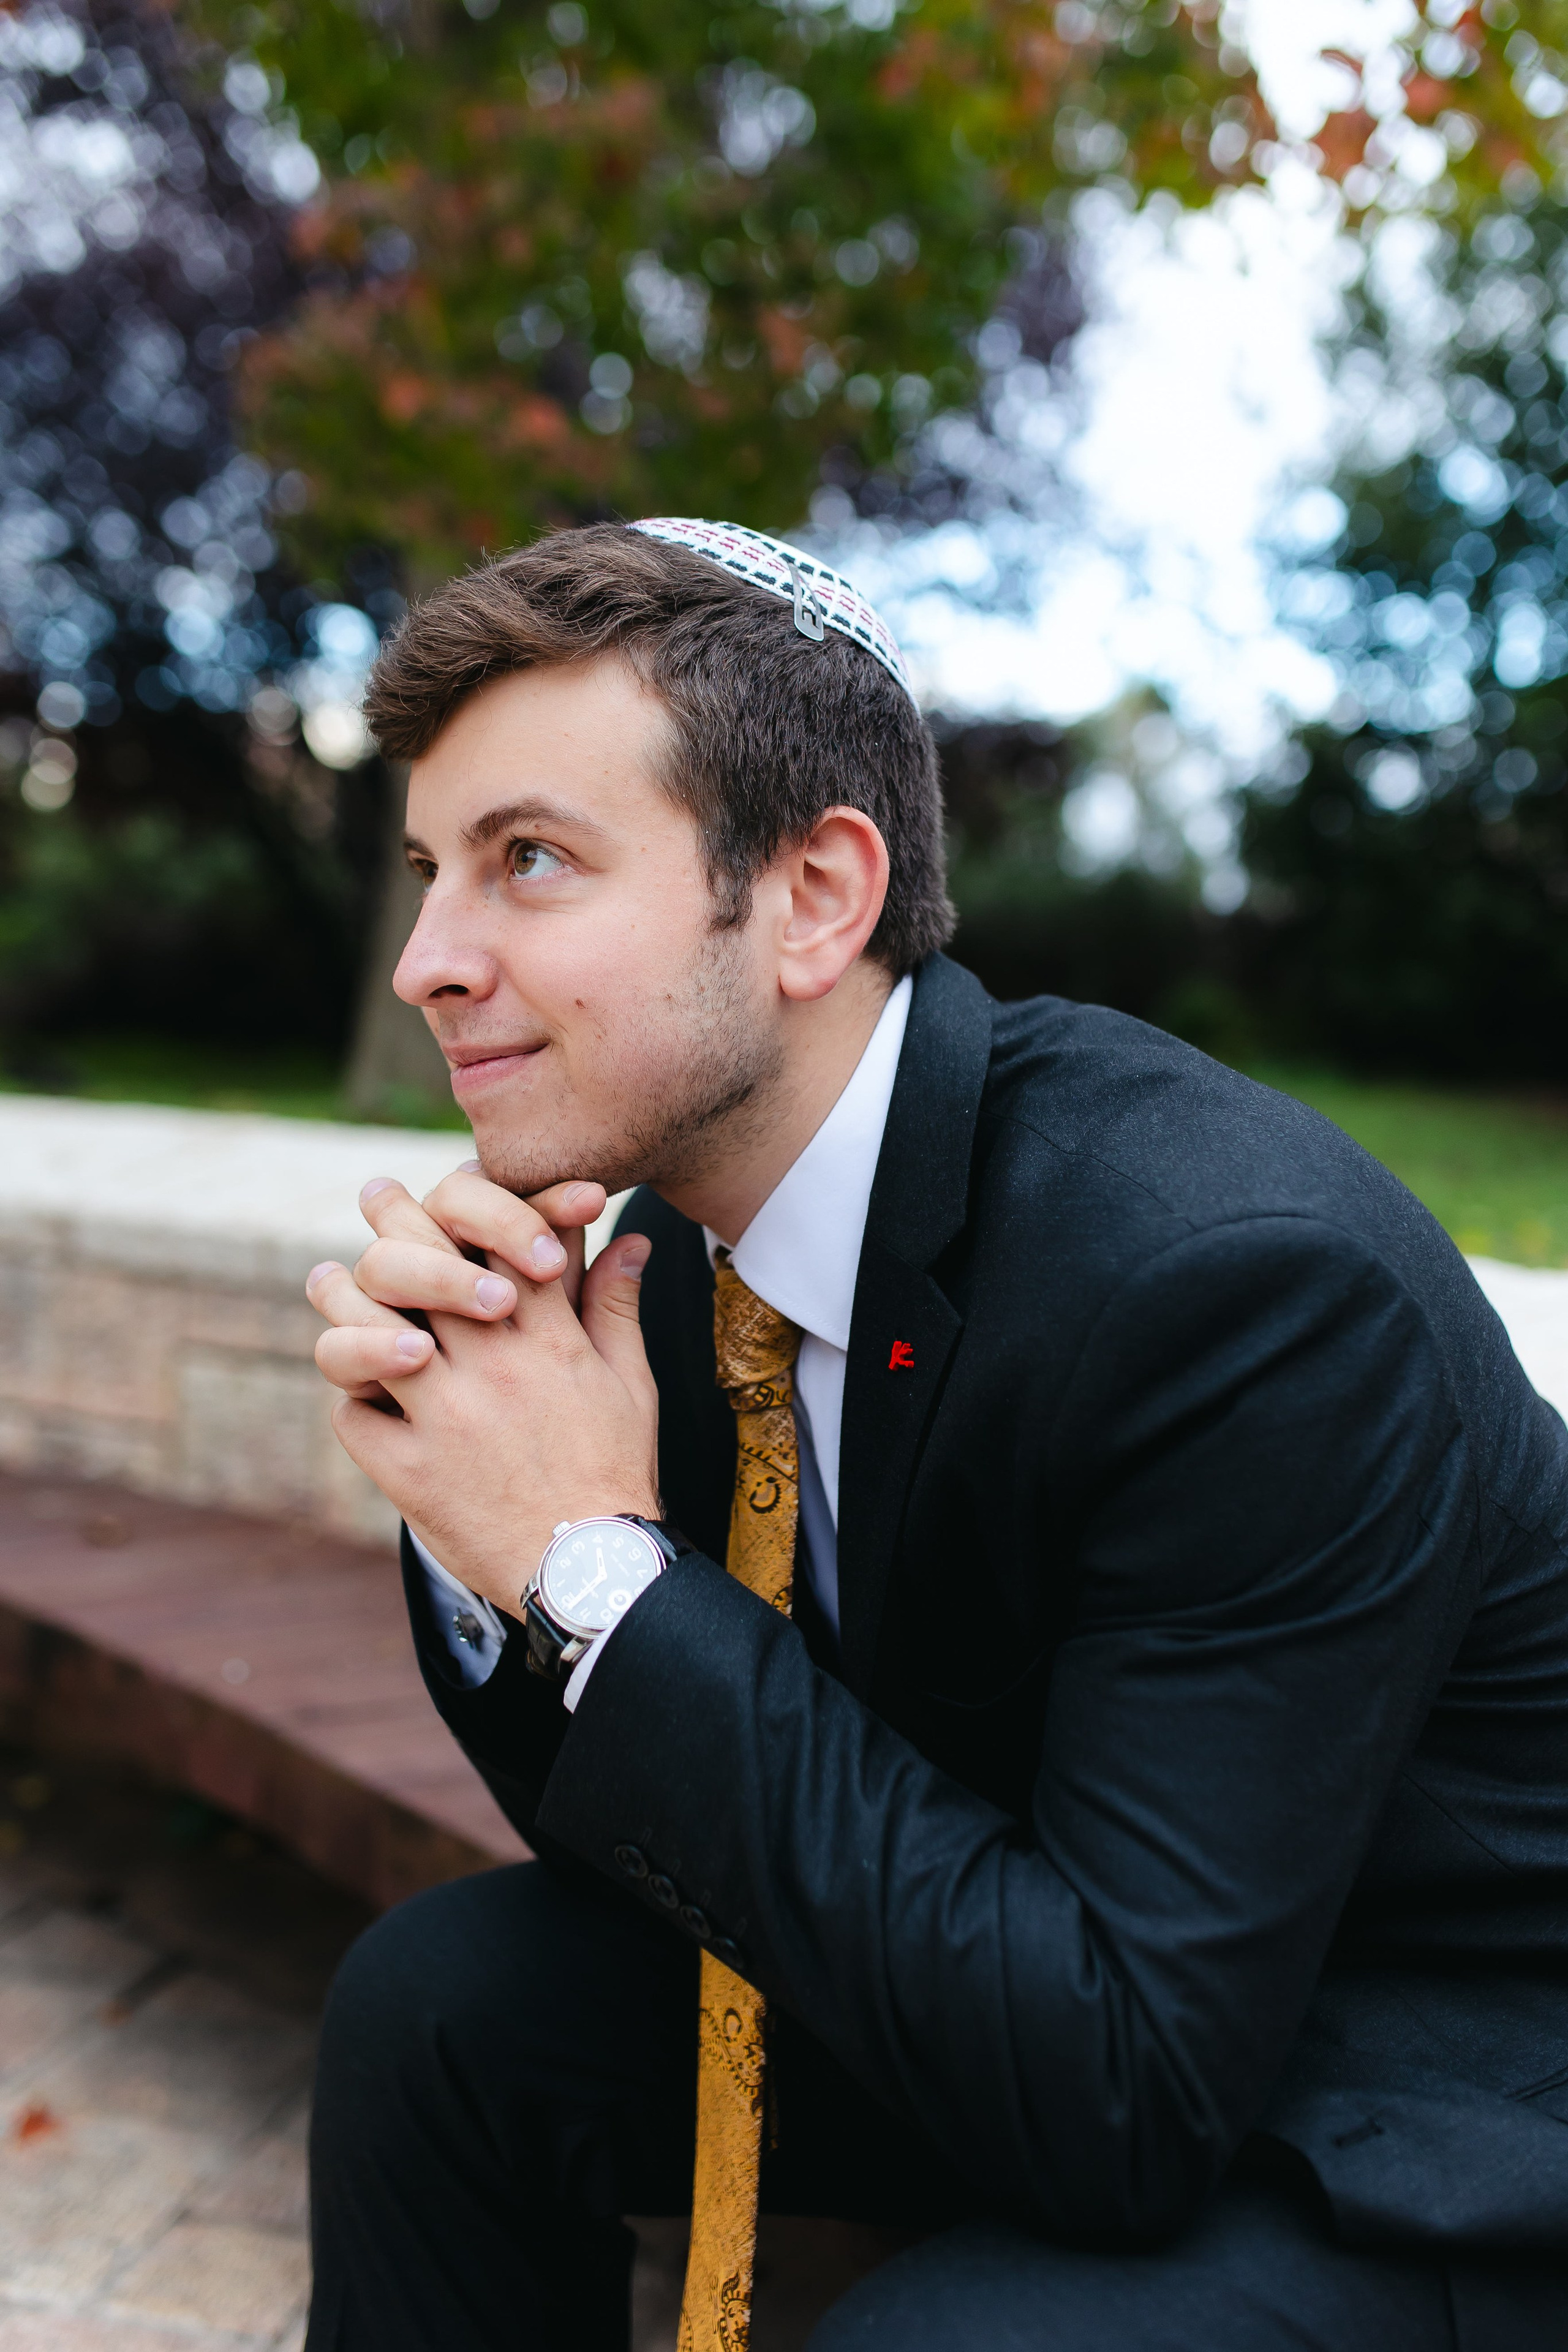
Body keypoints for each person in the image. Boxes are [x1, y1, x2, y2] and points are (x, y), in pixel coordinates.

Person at [301, 519, 1568, 2352]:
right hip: (1065, 1979)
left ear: (815, 893)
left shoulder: (1231, 1285)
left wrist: (597, 1562)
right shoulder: (660, 1257)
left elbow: (1126, 2096)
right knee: (442, 2012)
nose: (429, 957)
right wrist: (495, 1532)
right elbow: (653, 1841)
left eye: (528, 864)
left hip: (1425, 2079)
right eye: (430, 870)